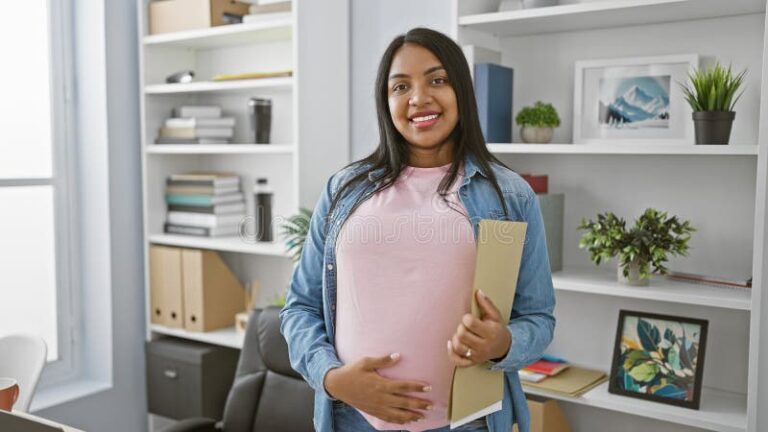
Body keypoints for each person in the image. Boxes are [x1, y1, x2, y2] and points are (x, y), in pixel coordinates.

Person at [280, 27, 555, 432]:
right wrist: (334, 380)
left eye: (437, 80)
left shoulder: (508, 197)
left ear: (461, 90)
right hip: (352, 420)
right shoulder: (343, 191)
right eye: (400, 86)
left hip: (467, 424)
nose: (419, 98)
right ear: (385, 101)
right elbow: (300, 308)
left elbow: (538, 317)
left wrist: (502, 344)